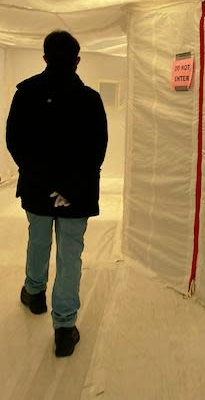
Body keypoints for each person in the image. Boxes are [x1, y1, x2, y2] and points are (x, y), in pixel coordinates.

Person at [6, 30, 108, 357]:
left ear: (45, 57)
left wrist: (46, 185)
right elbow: (96, 150)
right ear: (77, 61)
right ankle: (64, 328)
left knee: (37, 239)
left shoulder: (26, 92)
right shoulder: (90, 99)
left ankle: (34, 294)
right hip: (77, 194)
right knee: (70, 255)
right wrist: (65, 189)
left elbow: (15, 142)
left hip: (36, 189)